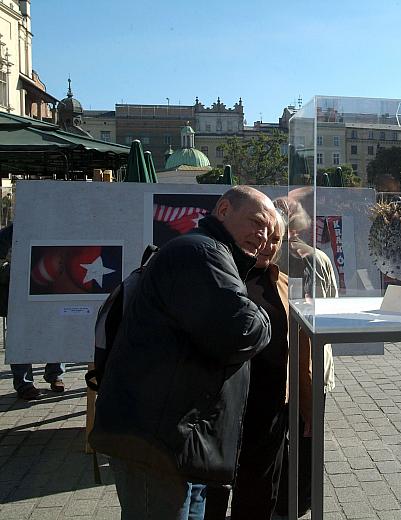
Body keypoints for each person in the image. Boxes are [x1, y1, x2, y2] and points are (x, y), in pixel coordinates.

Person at [89, 186, 276, 520]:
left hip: (178, 442)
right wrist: (265, 317)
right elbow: (240, 331)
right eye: (255, 222)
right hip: (156, 445)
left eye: (268, 231)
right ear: (222, 210)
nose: (261, 236)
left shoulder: (211, 254)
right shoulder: (200, 252)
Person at [204, 208, 290, 520]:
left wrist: (303, 404)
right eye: (264, 235)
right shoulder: (224, 274)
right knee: (211, 496)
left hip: (269, 413)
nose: (269, 243)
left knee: (259, 496)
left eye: (277, 239)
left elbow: (299, 351)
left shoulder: (282, 283)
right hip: (221, 411)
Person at [274, 190, 338, 518]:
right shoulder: (317, 259)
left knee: (278, 441)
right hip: (312, 364)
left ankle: (282, 499)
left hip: (275, 365)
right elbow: (331, 311)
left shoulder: (262, 258)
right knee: (308, 438)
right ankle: (302, 501)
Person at [0, 223, 66, 401]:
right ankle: (24, 383)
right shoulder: (17, 226)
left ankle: (54, 374)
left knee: (56, 329)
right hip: (21, 289)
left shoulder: (62, 221)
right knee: (21, 335)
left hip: (52, 285)